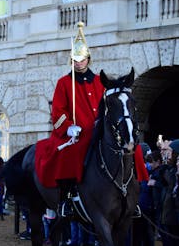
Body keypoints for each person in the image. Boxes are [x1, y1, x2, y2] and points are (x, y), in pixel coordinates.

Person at [34, 22, 105, 217]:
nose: (79, 63)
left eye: (82, 59)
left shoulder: (100, 81)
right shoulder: (64, 83)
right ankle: (67, 199)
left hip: (99, 131)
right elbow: (57, 112)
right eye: (75, 59)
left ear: (88, 59)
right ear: (71, 60)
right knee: (67, 154)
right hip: (77, 133)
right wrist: (68, 127)